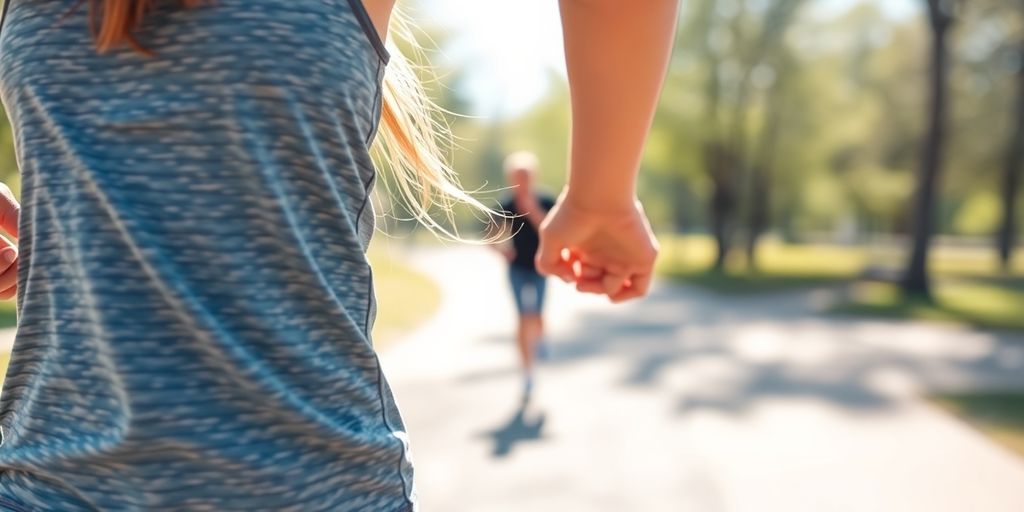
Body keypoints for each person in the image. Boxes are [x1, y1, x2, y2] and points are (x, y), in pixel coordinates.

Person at [0, 0, 676, 510]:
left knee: (532, 315)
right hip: (44, 483)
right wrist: (600, 196)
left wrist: (600, 194)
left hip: (312, 489)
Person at [494, 152, 557, 397]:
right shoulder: (506, 203)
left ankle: (541, 339)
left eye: (526, 175)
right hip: (517, 269)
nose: (522, 180)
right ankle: (527, 372)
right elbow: (490, 232)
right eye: (517, 176)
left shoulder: (546, 199)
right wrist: (501, 252)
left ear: (534, 176)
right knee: (522, 317)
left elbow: (552, 232)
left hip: (542, 266)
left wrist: (532, 211)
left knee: (538, 314)